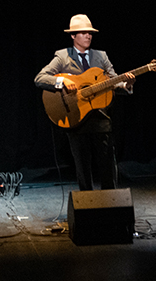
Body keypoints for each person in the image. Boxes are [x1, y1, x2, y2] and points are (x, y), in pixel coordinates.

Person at [34, 14, 135, 191]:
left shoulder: (101, 56)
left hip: (100, 117)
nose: (88, 36)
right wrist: (62, 82)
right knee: (82, 166)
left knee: (107, 166)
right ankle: (87, 206)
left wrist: (126, 84)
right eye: (83, 33)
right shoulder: (63, 56)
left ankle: (109, 202)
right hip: (75, 117)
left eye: (90, 33)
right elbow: (40, 78)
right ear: (73, 36)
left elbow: (113, 82)